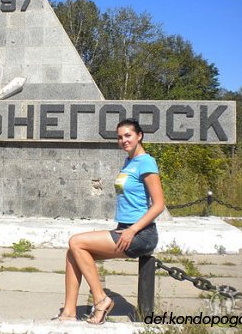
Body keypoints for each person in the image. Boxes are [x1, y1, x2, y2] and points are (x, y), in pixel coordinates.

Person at [54, 118, 165, 325]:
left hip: (141, 234)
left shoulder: (146, 161)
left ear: (139, 136)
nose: (123, 140)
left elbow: (158, 205)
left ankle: (101, 299)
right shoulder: (129, 162)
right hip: (125, 230)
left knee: (76, 241)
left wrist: (133, 230)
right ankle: (69, 312)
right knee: (73, 253)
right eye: (120, 137)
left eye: (128, 135)